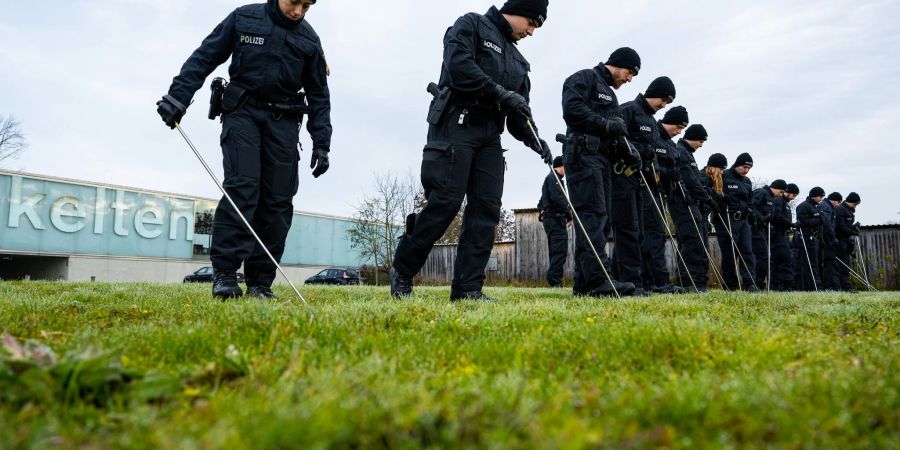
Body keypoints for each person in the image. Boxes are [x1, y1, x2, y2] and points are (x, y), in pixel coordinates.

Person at [157, 0, 332, 299]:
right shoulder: (243, 18)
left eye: (307, 6)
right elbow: (205, 56)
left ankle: (259, 283)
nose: (299, 12)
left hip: (284, 123)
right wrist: (178, 96)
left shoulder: (309, 39)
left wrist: (322, 142)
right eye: (294, 2)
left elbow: (318, 94)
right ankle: (224, 275)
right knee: (243, 187)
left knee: (278, 202)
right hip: (243, 113)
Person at [391, 0, 553, 301]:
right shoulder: (472, 25)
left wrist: (535, 139)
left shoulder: (519, 62)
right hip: (456, 123)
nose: (531, 32)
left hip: (490, 136)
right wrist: (500, 93)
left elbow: (518, 113)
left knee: (486, 210)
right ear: (517, 10)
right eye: (531, 23)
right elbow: (459, 68)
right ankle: (402, 270)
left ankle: (468, 288)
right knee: (445, 203)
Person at [560, 47, 643, 298]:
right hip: (582, 154)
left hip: (603, 159)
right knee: (592, 216)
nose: (629, 79)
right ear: (617, 64)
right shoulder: (583, 78)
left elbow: (616, 133)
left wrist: (628, 152)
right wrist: (606, 124)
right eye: (629, 72)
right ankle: (599, 280)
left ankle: (585, 284)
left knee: (601, 220)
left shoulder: (611, 96)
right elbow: (572, 110)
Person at [610, 76, 676, 297]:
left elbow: (653, 153)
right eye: (664, 100)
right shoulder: (628, 110)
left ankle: (633, 280)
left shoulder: (653, 124)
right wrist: (635, 152)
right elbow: (614, 138)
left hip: (642, 182)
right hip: (622, 178)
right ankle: (628, 281)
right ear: (654, 93)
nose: (664, 106)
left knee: (636, 233)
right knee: (626, 230)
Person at [642, 106, 688, 293]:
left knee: (659, 235)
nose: (678, 133)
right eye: (677, 128)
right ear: (667, 122)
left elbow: (674, 167)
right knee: (651, 235)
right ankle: (654, 280)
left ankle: (658, 279)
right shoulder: (653, 134)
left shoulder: (672, 144)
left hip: (663, 193)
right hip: (647, 190)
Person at [669, 124, 715, 292]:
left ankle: (697, 281)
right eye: (701, 141)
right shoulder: (681, 152)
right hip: (683, 202)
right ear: (694, 138)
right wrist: (707, 198)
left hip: (692, 203)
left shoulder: (688, 153)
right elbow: (691, 181)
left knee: (697, 242)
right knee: (691, 241)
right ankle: (688, 281)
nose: (701, 145)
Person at [714, 153, 758, 291]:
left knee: (747, 252)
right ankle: (730, 285)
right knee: (729, 253)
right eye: (744, 167)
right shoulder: (723, 175)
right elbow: (716, 194)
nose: (746, 171)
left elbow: (750, 200)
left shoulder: (747, 181)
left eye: (749, 168)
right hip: (727, 219)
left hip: (743, 220)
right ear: (737, 164)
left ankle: (749, 283)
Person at [538, 156, 571, 287]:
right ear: (561, 166)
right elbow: (558, 198)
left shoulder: (551, 179)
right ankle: (554, 280)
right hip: (556, 219)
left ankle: (555, 281)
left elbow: (541, 201)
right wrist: (569, 215)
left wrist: (541, 210)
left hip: (551, 219)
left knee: (556, 250)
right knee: (560, 250)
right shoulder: (553, 178)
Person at [750, 179, 786, 290]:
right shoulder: (761, 192)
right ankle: (756, 282)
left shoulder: (772, 198)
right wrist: (761, 218)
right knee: (762, 256)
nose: (781, 195)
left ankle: (759, 282)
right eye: (781, 192)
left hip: (764, 229)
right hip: (755, 228)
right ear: (776, 187)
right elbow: (751, 206)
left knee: (764, 257)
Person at [794, 186, 826, 291]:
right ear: (814, 196)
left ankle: (812, 286)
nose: (821, 199)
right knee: (810, 263)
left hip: (815, 238)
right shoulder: (803, 206)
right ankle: (815, 287)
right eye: (820, 197)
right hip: (807, 237)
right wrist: (819, 220)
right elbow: (803, 221)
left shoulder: (814, 206)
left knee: (815, 263)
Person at [770, 182, 798, 291]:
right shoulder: (778, 201)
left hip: (783, 234)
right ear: (787, 192)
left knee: (778, 261)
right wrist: (791, 224)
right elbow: (777, 216)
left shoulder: (786, 204)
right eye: (793, 195)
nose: (793, 198)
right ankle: (787, 285)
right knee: (786, 259)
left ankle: (776, 286)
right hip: (777, 234)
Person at [834, 192, 861, 291]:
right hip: (840, 240)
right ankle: (845, 287)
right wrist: (852, 231)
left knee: (846, 264)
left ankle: (846, 286)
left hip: (846, 240)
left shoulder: (849, 210)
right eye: (855, 204)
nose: (855, 207)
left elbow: (847, 225)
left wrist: (854, 227)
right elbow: (840, 226)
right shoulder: (840, 209)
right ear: (850, 201)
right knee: (843, 264)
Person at [818, 192, 842, 290]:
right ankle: (831, 286)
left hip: (824, 239)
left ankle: (829, 285)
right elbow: (827, 225)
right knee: (829, 263)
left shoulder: (824, 206)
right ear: (834, 200)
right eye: (838, 202)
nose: (838, 205)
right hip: (826, 240)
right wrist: (832, 238)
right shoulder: (827, 208)